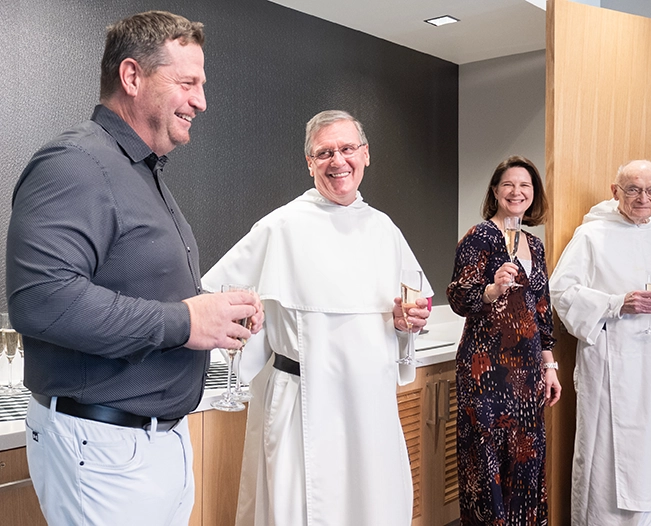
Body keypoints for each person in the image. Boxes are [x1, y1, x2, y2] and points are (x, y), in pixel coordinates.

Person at [5, 11, 263, 526]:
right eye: (188, 83)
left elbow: (141, 292)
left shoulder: (141, 172)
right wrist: (187, 322)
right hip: (102, 447)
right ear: (132, 77)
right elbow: (41, 300)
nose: (201, 101)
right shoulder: (75, 163)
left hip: (154, 441)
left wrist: (212, 316)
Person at [201, 109, 432, 526]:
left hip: (369, 405)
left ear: (365, 155)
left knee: (371, 506)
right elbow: (223, 300)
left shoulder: (384, 230)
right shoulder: (282, 226)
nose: (337, 161)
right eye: (324, 152)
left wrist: (405, 323)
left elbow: (408, 314)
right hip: (300, 403)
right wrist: (247, 325)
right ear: (309, 163)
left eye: (347, 149)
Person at [549, 159, 651, 526]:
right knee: (614, 451)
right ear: (615, 191)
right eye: (633, 189)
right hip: (614, 364)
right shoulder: (592, 236)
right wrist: (616, 302)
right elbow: (561, 291)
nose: (643, 198)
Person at [446, 155, 561, 525]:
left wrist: (550, 366)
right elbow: (458, 299)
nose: (517, 192)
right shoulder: (479, 237)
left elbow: (541, 309)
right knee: (487, 459)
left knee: (526, 458)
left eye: (525, 186)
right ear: (495, 191)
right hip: (486, 368)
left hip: (527, 370)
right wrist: (493, 288)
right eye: (509, 184)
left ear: (534, 195)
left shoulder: (534, 244)